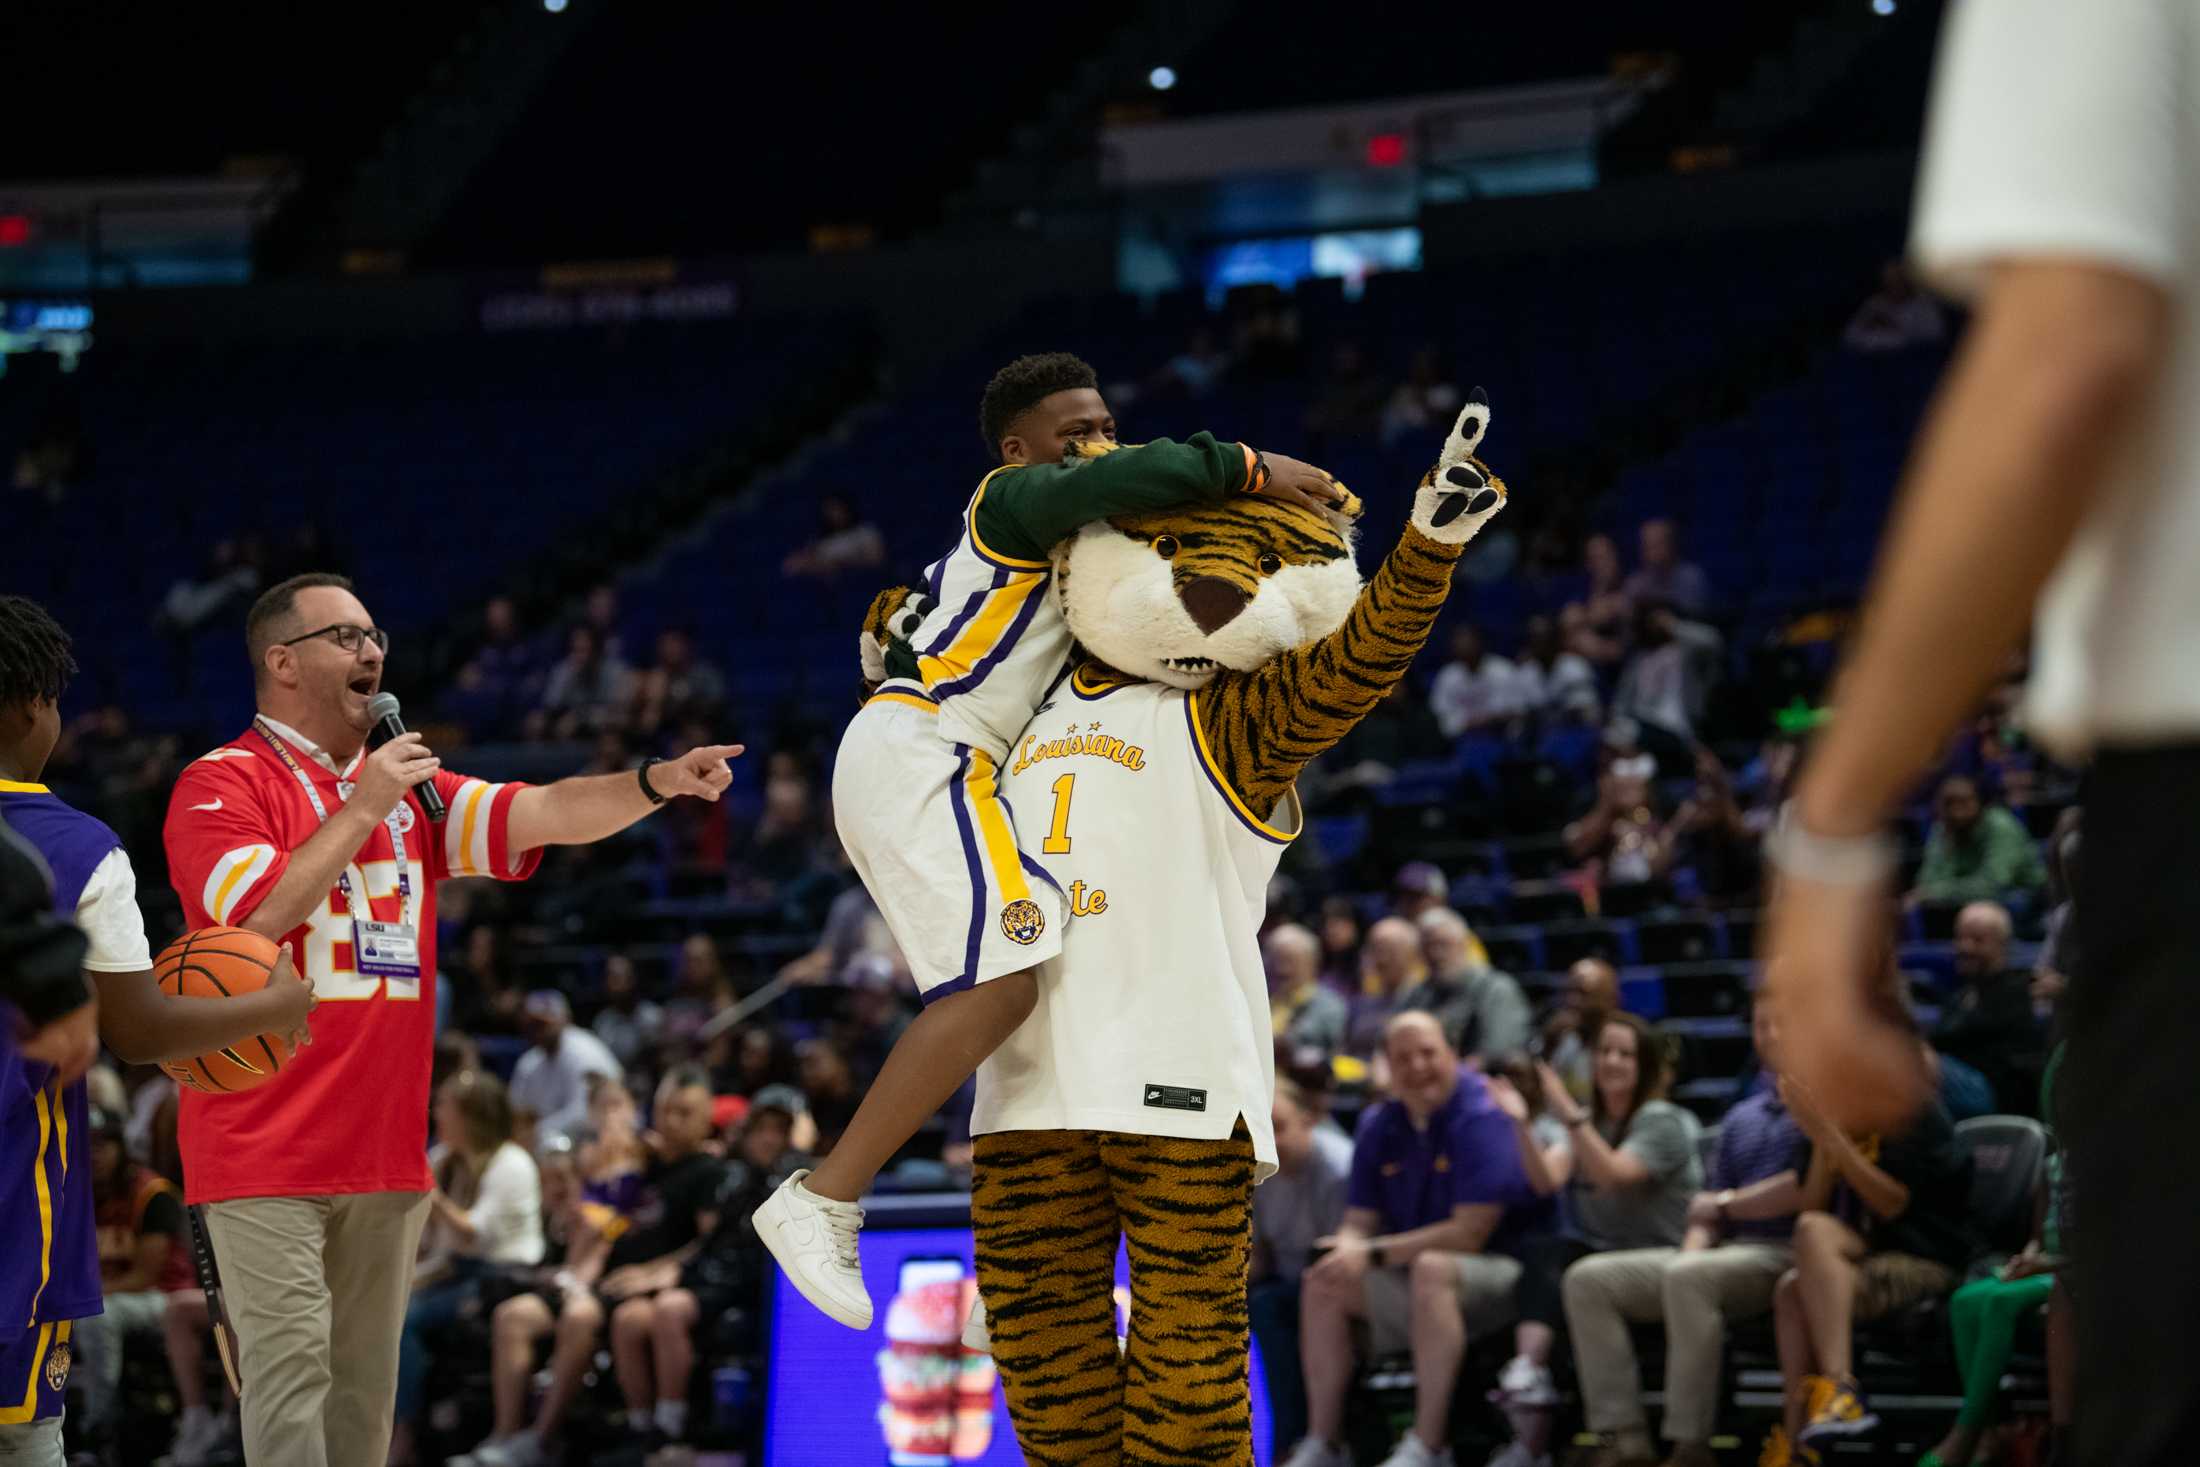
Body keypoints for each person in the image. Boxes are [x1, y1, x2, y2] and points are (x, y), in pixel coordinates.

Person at [755, 351, 1343, 1329]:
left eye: (1106, 421)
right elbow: (1117, 480)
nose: (1100, 443)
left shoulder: (1056, 560)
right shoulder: (1011, 501)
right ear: (1019, 452)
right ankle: (823, 1197)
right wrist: (1249, 467)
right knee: (1002, 986)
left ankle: (1020, 1270)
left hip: (941, 753)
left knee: (1033, 984)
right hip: (927, 750)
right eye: (1076, 432)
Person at [158, 572, 740, 1467]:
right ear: (282, 662)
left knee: (361, 1401)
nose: (372, 651)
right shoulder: (222, 782)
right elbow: (252, 917)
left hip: (385, 1152)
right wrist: (363, 807)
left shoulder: (406, 798)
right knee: (289, 1379)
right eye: (345, 637)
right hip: (260, 1147)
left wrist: (657, 781)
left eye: (373, 633)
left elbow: (544, 809)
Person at [0, 596, 317, 1467]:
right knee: (23, 1441)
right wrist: (273, 1006)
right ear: (31, 707)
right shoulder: (71, 846)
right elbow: (140, 1030)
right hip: (8, 1212)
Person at [1283, 1013, 1559, 1467]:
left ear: (1452, 1054)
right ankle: (1325, 1442)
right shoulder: (1378, 1122)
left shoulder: (1482, 1111)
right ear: (1387, 1066)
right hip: (1416, 1275)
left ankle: (1430, 1444)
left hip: (1506, 1274)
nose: (1417, 1066)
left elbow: (1470, 1234)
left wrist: (1371, 1252)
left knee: (1433, 1266)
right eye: (1402, 1057)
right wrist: (1346, 1247)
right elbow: (1360, 1218)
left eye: (1428, 1053)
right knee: (1323, 1280)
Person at [1560, 991, 1808, 1467]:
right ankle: (1621, 1437)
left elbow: (1804, 1189)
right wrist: (1692, 1251)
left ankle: (1690, 1445)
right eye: (1761, 1025)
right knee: (1588, 1280)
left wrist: (1727, 1208)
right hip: (1727, 1252)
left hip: (1791, 1248)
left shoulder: (1825, 1104)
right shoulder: (1742, 1116)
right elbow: (1705, 1210)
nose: (1771, 1035)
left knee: (1689, 1277)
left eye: (1783, 1024)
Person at [459, 1068, 726, 1467]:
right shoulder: (640, 1160)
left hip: (636, 1288)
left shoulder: (708, 1171)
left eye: (684, 1113)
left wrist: (655, 1269)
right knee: (511, 1316)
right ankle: (505, 1435)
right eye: (665, 1110)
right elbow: (598, 1219)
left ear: (706, 1119)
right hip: (599, 1276)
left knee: (581, 1316)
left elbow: (710, 1243)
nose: (671, 1121)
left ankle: (541, 1440)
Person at [1484, 1016, 1701, 1467]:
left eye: (1625, 1053)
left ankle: (1619, 1437)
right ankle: (1529, 1379)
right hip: (1606, 1259)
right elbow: (1546, 1181)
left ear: (1644, 1065)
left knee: (1581, 1274)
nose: (1612, 1062)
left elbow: (1615, 1175)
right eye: (1604, 1051)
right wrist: (1523, 1124)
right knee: (1546, 1250)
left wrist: (1568, 1114)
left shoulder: (1663, 1120)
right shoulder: (1587, 1124)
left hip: (1667, 1259)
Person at [1772, 1058, 1974, 1459]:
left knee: (1805, 1263)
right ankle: (1798, 1442)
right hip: (1877, 1252)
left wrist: (1830, 1136)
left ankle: (1841, 1390)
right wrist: (1819, 1136)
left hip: (1930, 1257)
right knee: (1792, 1282)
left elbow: (1892, 1204)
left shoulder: (1909, 1110)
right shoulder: (1833, 1114)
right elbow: (1812, 1206)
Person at [1920, 1046, 2069, 1467]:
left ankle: (1965, 1434)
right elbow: (2038, 1237)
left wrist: (2045, 1264)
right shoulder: (2051, 1165)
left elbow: (2107, 1250)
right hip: (2044, 1268)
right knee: (1967, 1300)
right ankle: (1990, 1427)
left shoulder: (2109, 1165)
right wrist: (2029, 1256)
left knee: (2002, 1300)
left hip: (2076, 1275)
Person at [389, 1070, 541, 1467]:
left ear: (471, 1115)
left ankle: (402, 1436)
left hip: (502, 1276)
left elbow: (476, 1235)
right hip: (454, 1269)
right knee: (378, 1304)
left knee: (404, 1319)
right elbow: (430, 1238)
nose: (436, 1112)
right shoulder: (444, 1159)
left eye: (445, 1106)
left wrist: (430, 1194)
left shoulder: (512, 1163)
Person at [71, 1103, 195, 1459]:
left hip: (163, 1298)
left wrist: (83, 1297)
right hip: (106, 1297)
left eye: (102, 1144)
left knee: (97, 1317)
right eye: (87, 1144)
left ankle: (100, 1429)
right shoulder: (76, 1193)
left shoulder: (151, 1193)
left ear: (121, 1147)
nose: (94, 1154)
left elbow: (146, 1275)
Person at [1252, 1078, 1354, 1461]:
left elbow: (1341, 1256)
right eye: (1265, 1128)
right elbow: (1260, 1258)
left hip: (1332, 1283)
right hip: (1288, 1281)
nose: (1271, 1139)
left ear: (1309, 1119)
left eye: (1279, 1126)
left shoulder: (1340, 1167)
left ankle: (1301, 1443)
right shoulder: (1260, 1170)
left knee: (1271, 1308)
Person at [1932, 901, 2044, 1113]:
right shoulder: (1960, 995)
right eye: (1960, 938)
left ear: (2003, 945)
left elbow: (1964, 1035)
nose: (1965, 947)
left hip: (1995, 1094)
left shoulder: (2020, 987)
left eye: (1977, 940)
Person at [1907, 776, 2048, 909]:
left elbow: (1993, 884)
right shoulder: (1943, 829)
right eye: (1949, 803)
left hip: (2023, 900)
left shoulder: (2000, 826)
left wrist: (1935, 893)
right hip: (1963, 904)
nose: (1957, 812)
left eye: (1964, 802)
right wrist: (1949, 845)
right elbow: (1926, 881)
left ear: (1981, 802)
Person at [1413, 907, 1532, 1064]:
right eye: (1427, 946)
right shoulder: (1417, 994)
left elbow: (1497, 1052)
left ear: (1465, 945)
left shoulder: (1496, 988)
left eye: (1443, 944)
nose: (1435, 954)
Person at [508, 989, 623, 1148]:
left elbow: (582, 1114)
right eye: (532, 1024)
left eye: (543, 1023)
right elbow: (517, 1112)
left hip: (596, 1139)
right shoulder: (529, 1063)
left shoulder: (584, 1052)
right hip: (550, 1141)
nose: (538, 1031)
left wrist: (535, 1132)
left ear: (564, 1019)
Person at [1538, 958, 1618, 1108]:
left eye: (1583, 993)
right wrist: (1547, 1048)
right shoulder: (1562, 1039)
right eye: (1568, 991)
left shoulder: (1622, 1050)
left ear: (1610, 999)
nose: (1571, 1000)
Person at [1267, 922, 1350, 1056]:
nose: (1281, 968)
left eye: (1290, 960)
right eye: (1275, 960)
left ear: (1312, 963)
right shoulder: (1265, 1001)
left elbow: (1313, 1040)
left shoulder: (1329, 1005)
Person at [1428, 624, 1519, 740]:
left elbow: (1511, 711)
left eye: (1468, 641)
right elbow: (1441, 714)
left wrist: (1485, 720)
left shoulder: (1502, 670)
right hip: (1460, 740)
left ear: (1480, 642)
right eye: (1459, 641)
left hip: (1499, 736)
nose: (1463, 646)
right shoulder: (1447, 675)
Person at [1511, 613, 1600, 727]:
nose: (1540, 645)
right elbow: (1518, 713)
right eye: (1535, 639)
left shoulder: (1575, 667)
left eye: (1544, 638)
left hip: (1572, 731)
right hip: (1538, 735)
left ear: (1555, 640)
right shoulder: (1525, 673)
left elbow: (1588, 713)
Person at [780, 491, 887, 579]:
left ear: (846, 508)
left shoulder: (865, 531)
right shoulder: (823, 541)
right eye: (829, 511)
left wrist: (844, 563)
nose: (834, 515)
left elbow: (876, 561)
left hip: (859, 581)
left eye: (836, 509)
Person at [590, 954, 664, 1074]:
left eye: (618, 977)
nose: (614, 984)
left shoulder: (652, 1016)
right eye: (610, 977)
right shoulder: (602, 1021)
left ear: (632, 979)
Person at [1622, 520, 1710, 618]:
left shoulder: (1691, 577)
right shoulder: (1636, 582)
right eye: (1646, 545)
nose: (1650, 552)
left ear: (1670, 545)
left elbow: (1694, 620)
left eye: (1656, 545)